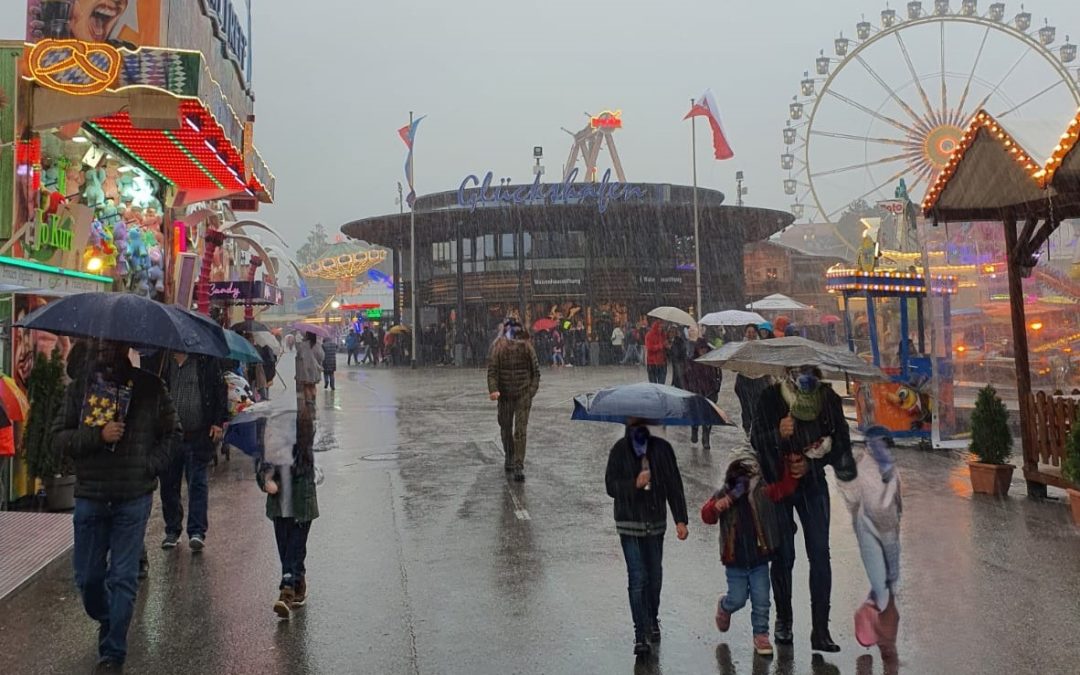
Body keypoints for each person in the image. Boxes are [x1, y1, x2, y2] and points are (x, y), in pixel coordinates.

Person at [53, 340, 181, 673]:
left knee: (124, 577)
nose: (107, 352)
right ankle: (110, 617)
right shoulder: (82, 387)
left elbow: (172, 433)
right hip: (91, 496)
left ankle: (113, 652)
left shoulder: (150, 387)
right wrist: (98, 435)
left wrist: (149, 464)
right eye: (102, 346)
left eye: (113, 346)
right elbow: (59, 438)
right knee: (88, 578)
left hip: (132, 496)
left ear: (125, 349)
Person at [750, 365, 856, 653]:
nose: (801, 375)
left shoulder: (827, 398)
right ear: (787, 370)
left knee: (820, 553)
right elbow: (756, 439)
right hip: (778, 484)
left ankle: (820, 630)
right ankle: (783, 620)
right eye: (796, 370)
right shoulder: (770, 397)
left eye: (807, 370)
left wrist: (812, 462)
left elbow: (842, 443)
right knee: (783, 554)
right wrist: (778, 434)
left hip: (812, 485)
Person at [701, 452, 803, 657]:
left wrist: (792, 474)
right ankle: (725, 605)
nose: (742, 486)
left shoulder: (761, 491)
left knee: (762, 598)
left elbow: (782, 489)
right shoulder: (724, 494)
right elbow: (707, 514)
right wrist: (717, 507)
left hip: (759, 559)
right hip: (735, 561)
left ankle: (761, 634)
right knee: (738, 598)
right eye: (738, 481)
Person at [605, 420, 689, 657]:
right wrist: (634, 484)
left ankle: (652, 617)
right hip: (628, 522)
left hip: (655, 522)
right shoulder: (620, 450)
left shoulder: (661, 449)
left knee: (654, 575)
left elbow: (674, 484)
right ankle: (640, 633)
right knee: (637, 576)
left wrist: (680, 519)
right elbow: (610, 486)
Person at [147, 350, 227, 552]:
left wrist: (218, 422)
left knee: (197, 483)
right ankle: (172, 530)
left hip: (198, 433)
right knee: (169, 485)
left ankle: (196, 531)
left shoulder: (206, 360)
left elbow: (220, 391)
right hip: (170, 435)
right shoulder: (163, 360)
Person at [840, 426, 901, 669]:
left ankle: (874, 620)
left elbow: (895, 504)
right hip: (874, 534)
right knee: (886, 587)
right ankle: (887, 646)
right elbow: (863, 501)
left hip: (889, 534)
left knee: (891, 581)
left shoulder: (888, 468)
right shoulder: (865, 467)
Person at [256, 419, 320, 620]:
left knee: (295, 545)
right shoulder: (267, 437)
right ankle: (298, 581)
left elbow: (302, 463)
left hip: (301, 500)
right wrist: (266, 479)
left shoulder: (303, 431)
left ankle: (287, 590)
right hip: (278, 505)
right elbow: (260, 464)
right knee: (285, 548)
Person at [487, 319, 540, 481]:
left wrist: (530, 392)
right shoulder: (499, 348)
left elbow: (535, 372)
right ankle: (509, 456)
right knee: (505, 427)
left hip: (522, 395)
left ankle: (518, 464)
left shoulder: (526, 348)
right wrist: (494, 389)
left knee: (520, 431)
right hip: (505, 396)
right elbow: (493, 371)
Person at [684, 338, 723, 450]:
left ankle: (706, 437)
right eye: (701, 348)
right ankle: (694, 429)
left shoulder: (712, 360)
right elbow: (685, 377)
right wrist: (688, 389)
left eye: (704, 348)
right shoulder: (691, 361)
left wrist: (717, 387)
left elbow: (718, 374)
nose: (703, 350)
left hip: (710, 392)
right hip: (695, 392)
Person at [734, 324, 772, 437]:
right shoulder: (739, 347)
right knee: (746, 407)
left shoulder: (762, 346)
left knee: (758, 407)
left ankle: (755, 430)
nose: (751, 334)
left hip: (760, 380)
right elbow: (733, 367)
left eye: (753, 332)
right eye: (748, 332)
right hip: (744, 380)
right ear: (745, 333)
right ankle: (747, 428)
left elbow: (768, 363)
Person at [295, 332, 323, 417]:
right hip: (314, 369)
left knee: (306, 386)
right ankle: (313, 397)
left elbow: (299, 354)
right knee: (313, 385)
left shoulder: (303, 345)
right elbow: (322, 356)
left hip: (305, 369)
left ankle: (309, 400)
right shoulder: (317, 345)